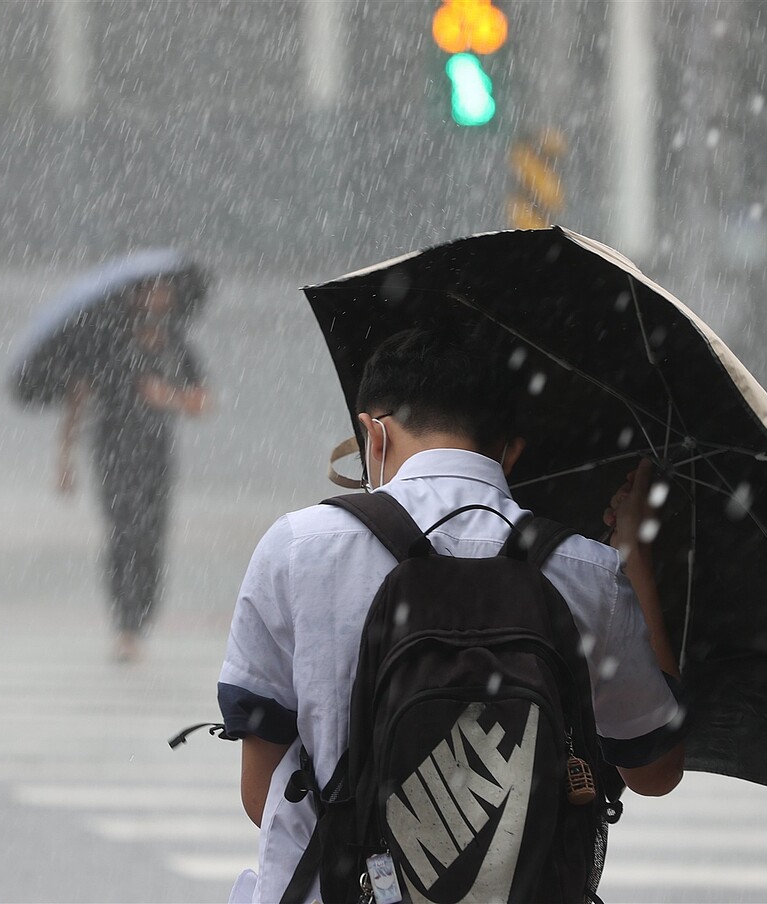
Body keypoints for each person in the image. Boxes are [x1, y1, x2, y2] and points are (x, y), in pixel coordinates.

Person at [217, 327, 685, 903]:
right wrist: (634, 559)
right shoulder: (585, 572)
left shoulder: (298, 547)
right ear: (509, 450)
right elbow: (655, 771)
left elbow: (259, 794)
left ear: (373, 433)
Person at [57, 276, 209, 662]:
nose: (160, 297)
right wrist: (64, 458)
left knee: (152, 537)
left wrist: (167, 396)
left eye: (165, 290)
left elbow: (202, 401)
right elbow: (78, 397)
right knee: (123, 534)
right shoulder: (109, 345)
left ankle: (141, 617)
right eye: (152, 290)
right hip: (113, 453)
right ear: (135, 296)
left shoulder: (176, 345)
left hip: (158, 455)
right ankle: (125, 625)